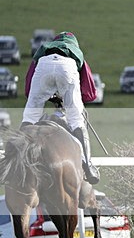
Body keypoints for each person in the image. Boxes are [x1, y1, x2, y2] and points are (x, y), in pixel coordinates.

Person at [22, 31, 99, 184]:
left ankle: (16, 161)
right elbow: (90, 93)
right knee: (77, 120)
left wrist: (49, 95)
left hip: (43, 65)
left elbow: (28, 88)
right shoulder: (76, 52)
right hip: (68, 67)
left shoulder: (44, 49)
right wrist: (69, 98)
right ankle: (88, 166)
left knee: (29, 117)